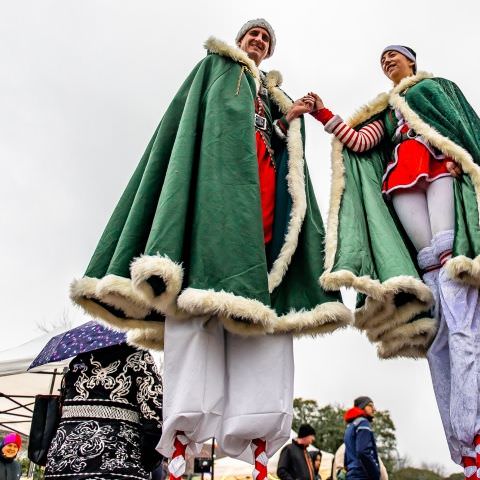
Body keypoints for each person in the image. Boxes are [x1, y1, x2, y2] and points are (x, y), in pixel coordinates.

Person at [71, 17, 351, 480]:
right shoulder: (216, 70)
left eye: (265, 38)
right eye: (251, 35)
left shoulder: (272, 96)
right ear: (240, 41)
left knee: (263, 319)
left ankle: (261, 449)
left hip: (262, 201)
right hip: (218, 202)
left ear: (269, 50)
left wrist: (292, 119)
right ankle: (181, 447)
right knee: (198, 311)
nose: (257, 41)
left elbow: (281, 146)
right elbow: (192, 138)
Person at [306, 45, 480, 474]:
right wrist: (322, 113)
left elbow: (463, 130)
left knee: (448, 266)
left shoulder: (435, 89)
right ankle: (466, 445)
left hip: (439, 166)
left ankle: (471, 436)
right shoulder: (388, 113)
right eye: (382, 59)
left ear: (412, 62)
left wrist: (461, 158)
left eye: (394, 56)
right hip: (402, 172)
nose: (387, 62)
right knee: (434, 276)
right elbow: (360, 141)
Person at [44, 344, 163, 480]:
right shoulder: (139, 357)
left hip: (61, 464)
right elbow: (155, 415)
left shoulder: (78, 360)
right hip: (116, 465)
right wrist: (149, 460)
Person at [343, 397, 379, 480]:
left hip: (351, 475)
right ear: (362, 407)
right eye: (370, 406)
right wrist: (375, 474)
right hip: (362, 475)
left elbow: (346, 456)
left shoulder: (350, 427)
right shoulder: (363, 423)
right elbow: (363, 452)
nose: (374, 409)